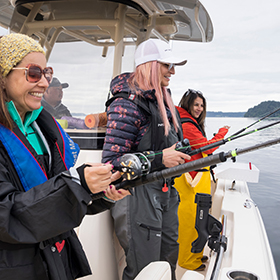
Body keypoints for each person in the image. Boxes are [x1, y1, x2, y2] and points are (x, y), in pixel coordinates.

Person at [0, 33, 129, 280]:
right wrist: (78, 185)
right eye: (33, 73)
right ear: (3, 76)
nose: (45, 83)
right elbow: (6, 215)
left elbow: (55, 198)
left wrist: (100, 191)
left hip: (52, 261)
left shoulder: (45, 129)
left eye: (46, 73)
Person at [102, 38, 191, 280]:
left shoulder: (164, 100)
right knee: (146, 269)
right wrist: (162, 158)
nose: (172, 71)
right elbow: (112, 162)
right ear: (150, 65)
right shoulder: (126, 103)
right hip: (137, 196)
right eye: (167, 65)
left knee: (168, 259)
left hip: (165, 192)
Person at [174, 89, 230, 271]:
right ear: (187, 104)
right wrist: (221, 134)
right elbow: (207, 148)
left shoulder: (186, 121)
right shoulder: (187, 124)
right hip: (191, 181)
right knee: (191, 220)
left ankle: (194, 254)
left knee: (198, 219)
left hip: (194, 177)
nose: (199, 108)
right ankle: (187, 261)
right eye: (195, 104)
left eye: (201, 105)